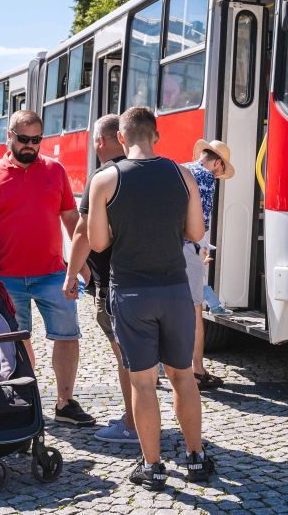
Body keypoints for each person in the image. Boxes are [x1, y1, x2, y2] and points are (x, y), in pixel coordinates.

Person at [86, 106, 215, 491]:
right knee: (182, 379)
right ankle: (195, 457)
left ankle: (153, 466)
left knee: (143, 384)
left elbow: (97, 242)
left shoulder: (105, 179)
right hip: (174, 289)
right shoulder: (183, 174)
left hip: (131, 291)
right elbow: (195, 232)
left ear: (121, 139)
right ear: (156, 136)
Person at [0, 110, 95, 428]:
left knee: (67, 337)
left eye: (35, 140)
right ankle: (25, 399)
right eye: (23, 139)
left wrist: (81, 263)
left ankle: (65, 403)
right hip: (7, 277)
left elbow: (71, 220)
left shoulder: (55, 171)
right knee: (16, 341)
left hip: (53, 273)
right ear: (8, 135)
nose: (29, 145)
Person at [63, 114, 136, 443]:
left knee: (126, 357)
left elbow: (81, 232)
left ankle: (133, 422)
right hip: (150, 280)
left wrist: (71, 276)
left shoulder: (102, 176)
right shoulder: (146, 171)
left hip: (113, 283)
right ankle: (140, 415)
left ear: (100, 142)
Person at [182, 139, 235, 389]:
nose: (217, 175)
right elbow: (200, 222)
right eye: (219, 170)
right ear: (216, 162)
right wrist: (200, 250)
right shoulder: (205, 177)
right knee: (195, 311)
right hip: (184, 248)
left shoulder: (180, 168)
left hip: (161, 249)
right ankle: (197, 371)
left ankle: (160, 367)